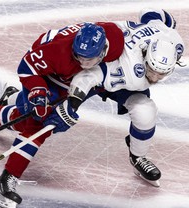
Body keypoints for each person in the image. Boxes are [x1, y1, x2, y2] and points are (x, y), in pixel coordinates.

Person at [0, 21, 124, 208]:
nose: (83, 63)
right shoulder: (59, 52)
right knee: (38, 125)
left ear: (103, 50)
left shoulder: (115, 39)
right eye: (79, 57)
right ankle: (6, 179)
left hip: (73, 81)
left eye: (89, 59)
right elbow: (27, 67)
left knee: (29, 120)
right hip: (46, 74)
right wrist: (38, 93)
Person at [51, 8, 184, 189]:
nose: (155, 78)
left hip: (120, 79)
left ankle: (138, 157)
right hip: (95, 65)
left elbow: (152, 14)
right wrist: (74, 100)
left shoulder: (173, 40)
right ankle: (11, 106)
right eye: (152, 71)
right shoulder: (128, 67)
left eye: (162, 74)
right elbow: (90, 77)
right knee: (50, 109)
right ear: (144, 57)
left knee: (145, 111)